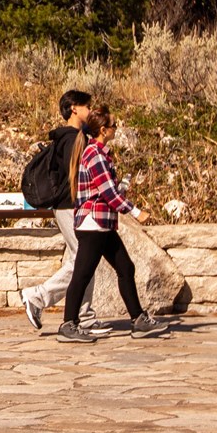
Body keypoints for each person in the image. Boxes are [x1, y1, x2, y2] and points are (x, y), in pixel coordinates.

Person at [57, 107, 168, 343]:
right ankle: (68, 324)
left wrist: (123, 187)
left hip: (103, 224)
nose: (117, 128)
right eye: (114, 125)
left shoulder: (101, 154)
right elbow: (108, 194)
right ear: (104, 130)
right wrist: (136, 212)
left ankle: (138, 320)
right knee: (82, 274)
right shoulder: (95, 154)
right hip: (92, 224)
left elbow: (106, 191)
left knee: (125, 267)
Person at [20, 90, 107, 336]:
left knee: (79, 260)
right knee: (83, 259)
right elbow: (80, 176)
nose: (91, 110)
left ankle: (84, 317)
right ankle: (36, 297)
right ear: (74, 109)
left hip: (72, 206)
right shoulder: (72, 139)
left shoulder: (77, 137)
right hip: (71, 205)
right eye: (87, 106)